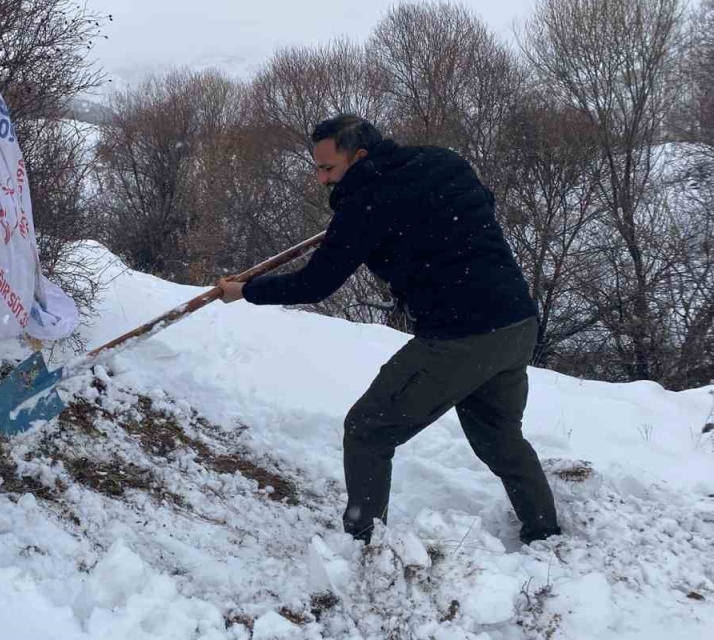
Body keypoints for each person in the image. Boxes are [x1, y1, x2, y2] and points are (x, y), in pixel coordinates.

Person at [217, 115, 562, 545]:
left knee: (368, 430)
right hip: (516, 322)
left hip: (460, 336)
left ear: (359, 156)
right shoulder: (441, 161)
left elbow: (315, 285)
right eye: (317, 168)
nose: (322, 179)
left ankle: (365, 543)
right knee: (499, 438)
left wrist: (245, 291)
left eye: (328, 169)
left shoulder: (364, 204)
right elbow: (482, 202)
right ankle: (545, 530)